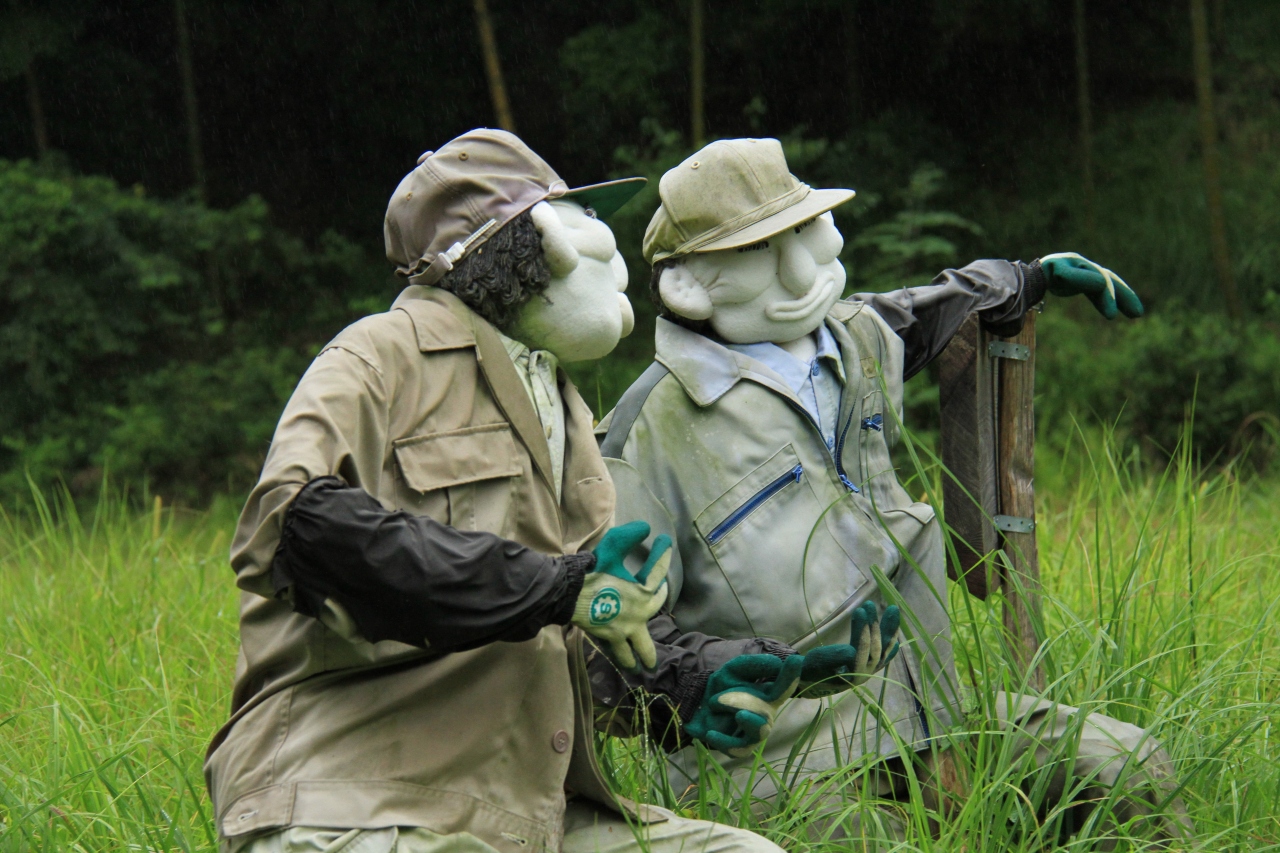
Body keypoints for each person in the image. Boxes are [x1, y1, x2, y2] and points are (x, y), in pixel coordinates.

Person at [204, 129, 846, 853]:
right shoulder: (379, 355)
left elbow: (562, 627)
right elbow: (292, 529)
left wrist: (691, 675)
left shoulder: (564, 408)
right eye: (580, 215)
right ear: (519, 239)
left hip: (524, 811)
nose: (606, 241)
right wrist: (552, 585)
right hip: (357, 797)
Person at [597, 137, 1191, 843]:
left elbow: (930, 308)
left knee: (1124, 765)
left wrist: (1025, 278)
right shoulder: (644, 433)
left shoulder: (852, 341)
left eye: (798, 230)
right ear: (690, 281)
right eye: (762, 246)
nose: (799, 261)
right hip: (775, 758)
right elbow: (620, 631)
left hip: (925, 708)